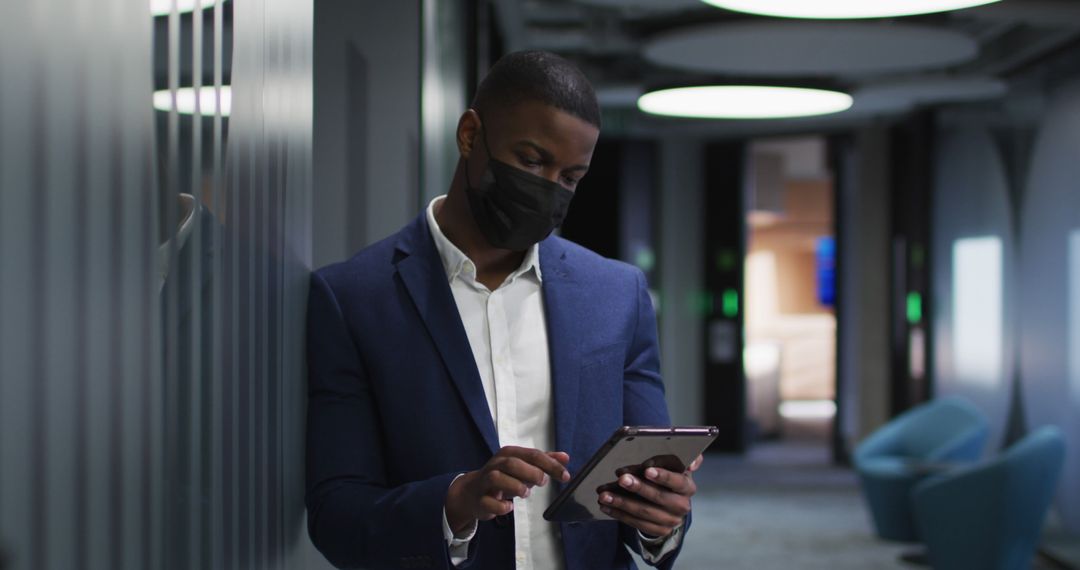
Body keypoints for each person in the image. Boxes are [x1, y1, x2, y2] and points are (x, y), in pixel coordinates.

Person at [306, 50, 700, 570]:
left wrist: (663, 519)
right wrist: (456, 501)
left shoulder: (615, 294)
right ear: (471, 135)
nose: (547, 189)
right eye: (532, 161)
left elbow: (647, 486)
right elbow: (336, 515)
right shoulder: (353, 298)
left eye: (569, 178)